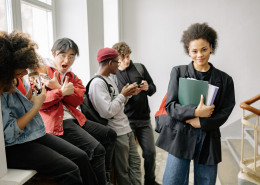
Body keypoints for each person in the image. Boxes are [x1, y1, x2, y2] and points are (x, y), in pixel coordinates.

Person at [0, 30, 98, 185]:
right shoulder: (2, 90)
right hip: (13, 146)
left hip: (33, 133)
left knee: (81, 156)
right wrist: (35, 106)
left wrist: (29, 101)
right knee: (70, 169)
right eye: (21, 68)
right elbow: (8, 135)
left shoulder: (19, 80)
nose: (26, 72)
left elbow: (77, 99)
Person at [156, 23, 235, 185]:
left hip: (208, 136)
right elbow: (170, 106)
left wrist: (202, 122)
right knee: (173, 181)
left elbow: (225, 111)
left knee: (206, 182)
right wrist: (195, 112)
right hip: (181, 134)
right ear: (188, 51)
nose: (200, 54)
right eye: (194, 51)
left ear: (211, 47)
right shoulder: (178, 72)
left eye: (204, 49)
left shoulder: (225, 79)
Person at [39, 38, 116, 185]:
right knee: (97, 149)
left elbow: (78, 99)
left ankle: (104, 177)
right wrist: (60, 91)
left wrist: (62, 91)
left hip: (76, 119)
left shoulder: (72, 76)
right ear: (53, 54)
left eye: (71, 56)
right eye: (62, 55)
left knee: (110, 135)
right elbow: (41, 102)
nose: (66, 60)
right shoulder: (43, 72)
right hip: (59, 123)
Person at [88, 48, 142, 185]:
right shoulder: (97, 83)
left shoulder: (110, 79)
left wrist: (128, 94)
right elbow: (107, 112)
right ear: (110, 63)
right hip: (116, 132)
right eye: (117, 63)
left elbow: (117, 106)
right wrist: (122, 95)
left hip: (126, 128)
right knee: (123, 171)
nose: (119, 65)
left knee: (135, 164)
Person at [112, 42, 159, 185]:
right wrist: (127, 94)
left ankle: (150, 181)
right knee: (130, 159)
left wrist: (147, 87)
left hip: (144, 119)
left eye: (128, 56)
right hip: (127, 121)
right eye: (123, 57)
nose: (126, 60)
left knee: (150, 153)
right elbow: (114, 100)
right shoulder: (113, 75)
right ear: (117, 58)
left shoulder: (139, 67)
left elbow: (153, 88)